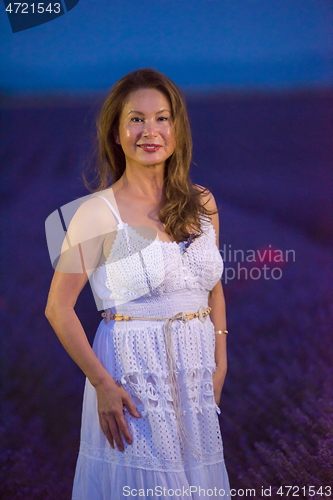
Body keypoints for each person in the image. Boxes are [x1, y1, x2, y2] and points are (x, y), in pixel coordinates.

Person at [45, 68, 230, 499]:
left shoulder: (203, 202)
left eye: (162, 118)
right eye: (136, 119)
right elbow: (58, 308)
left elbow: (212, 284)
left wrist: (221, 360)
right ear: (115, 132)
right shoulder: (95, 213)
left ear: (178, 129)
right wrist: (103, 386)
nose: (150, 131)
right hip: (131, 381)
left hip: (196, 376)